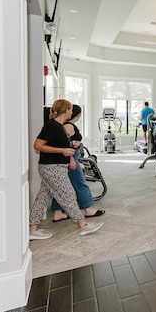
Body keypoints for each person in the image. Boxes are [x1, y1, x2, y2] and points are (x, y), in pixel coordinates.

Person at [29, 99, 104, 239]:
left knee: (43, 198)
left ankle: (32, 229)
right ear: (66, 110)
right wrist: (62, 151)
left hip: (55, 167)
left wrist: (70, 144)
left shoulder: (59, 126)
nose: (71, 111)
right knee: (68, 195)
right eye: (70, 109)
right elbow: (37, 145)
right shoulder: (51, 126)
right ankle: (83, 225)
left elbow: (56, 143)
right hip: (52, 168)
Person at [51, 104, 105, 222]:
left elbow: (64, 142)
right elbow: (63, 144)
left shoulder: (66, 125)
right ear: (79, 114)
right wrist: (71, 159)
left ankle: (57, 212)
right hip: (70, 158)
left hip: (68, 157)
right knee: (80, 183)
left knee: (60, 186)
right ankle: (88, 209)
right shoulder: (69, 126)